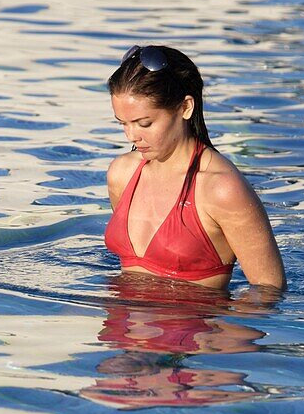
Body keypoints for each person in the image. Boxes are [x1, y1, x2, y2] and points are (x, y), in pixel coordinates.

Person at [105, 45, 286, 290]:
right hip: (119, 323)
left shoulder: (220, 189)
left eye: (144, 123)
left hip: (193, 325)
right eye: (123, 124)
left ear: (185, 107)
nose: (131, 136)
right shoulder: (122, 174)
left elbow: (268, 291)